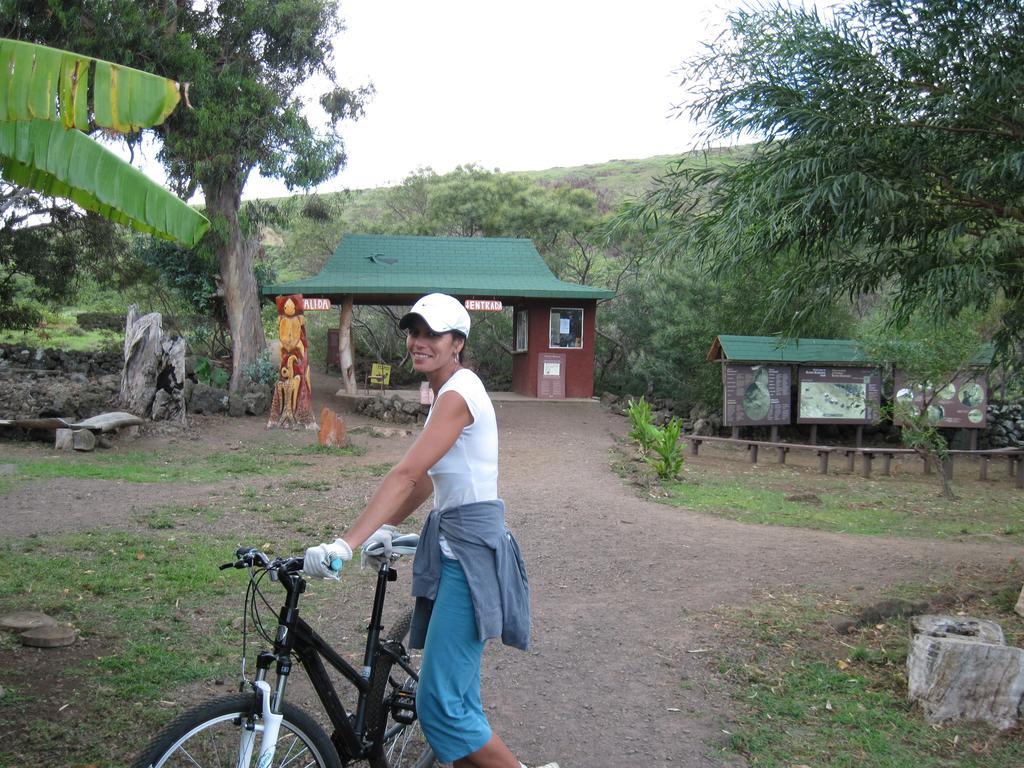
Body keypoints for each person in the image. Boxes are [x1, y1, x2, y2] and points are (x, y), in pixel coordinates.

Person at [303, 293, 558, 768]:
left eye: (432, 334)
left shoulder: (459, 393)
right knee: (456, 701)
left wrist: (345, 543)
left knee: (440, 707)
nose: (418, 342)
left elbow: (403, 475)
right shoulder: (449, 391)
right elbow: (425, 480)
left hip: (470, 554)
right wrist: (388, 527)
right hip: (455, 543)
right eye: (414, 332)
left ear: (457, 342)